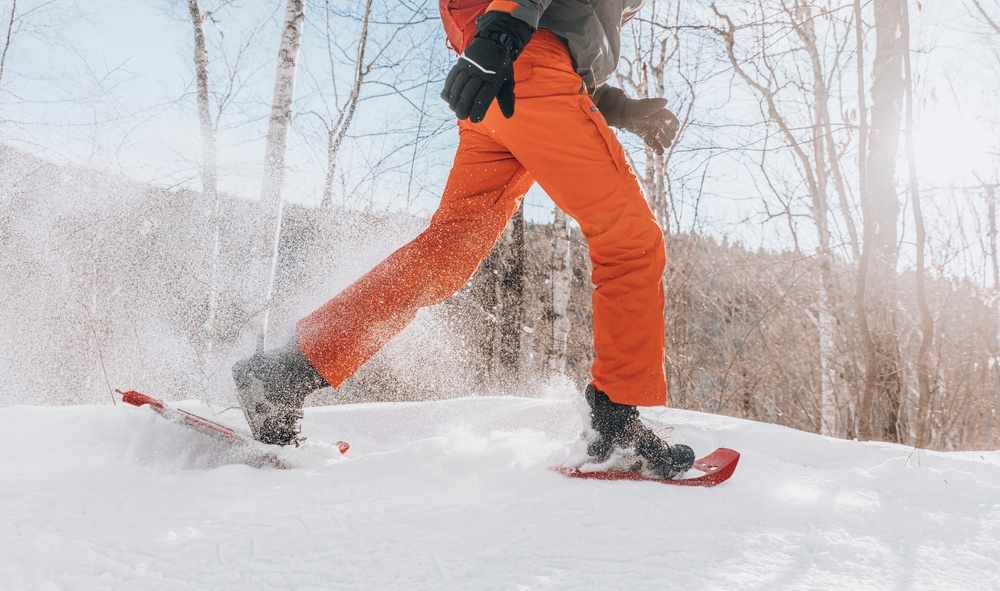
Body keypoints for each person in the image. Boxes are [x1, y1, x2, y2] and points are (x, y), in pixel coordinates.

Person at [233, 0, 695, 479]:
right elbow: (548, 50)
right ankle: (617, 425)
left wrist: (617, 107)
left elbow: (564, 40)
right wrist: (504, 30)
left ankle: (285, 374)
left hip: (499, 85)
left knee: (445, 255)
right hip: (521, 62)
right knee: (630, 241)